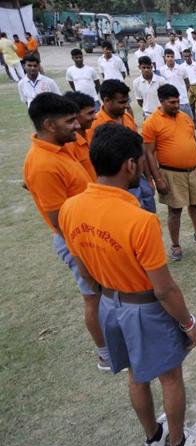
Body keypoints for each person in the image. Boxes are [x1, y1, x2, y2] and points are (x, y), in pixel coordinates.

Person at [58, 123, 196, 446]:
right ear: (129, 164)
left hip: (110, 305)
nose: (143, 166)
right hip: (145, 310)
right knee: (170, 375)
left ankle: (152, 439)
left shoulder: (70, 209)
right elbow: (164, 288)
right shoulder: (140, 221)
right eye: (141, 161)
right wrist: (188, 323)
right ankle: (177, 444)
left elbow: (83, 270)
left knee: (135, 373)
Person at [22, 93, 107, 371]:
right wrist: (83, 262)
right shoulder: (43, 164)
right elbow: (61, 223)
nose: (76, 125)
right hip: (79, 243)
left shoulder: (59, 148)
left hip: (92, 234)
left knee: (105, 295)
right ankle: (105, 354)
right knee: (92, 297)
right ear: (49, 124)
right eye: (70, 121)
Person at [143, 84, 196, 260]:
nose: (177, 105)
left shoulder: (185, 117)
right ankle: (175, 245)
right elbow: (148, 154)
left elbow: (195, 142)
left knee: (195, 203)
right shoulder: (151, 123)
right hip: (171, 173)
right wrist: (157, 178)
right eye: (172, 102)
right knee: (175, 210)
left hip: (193, 170)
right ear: (161, 101)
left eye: (178, 101)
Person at [88, 79, 156, 213]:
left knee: (149, 214)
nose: (126, 106)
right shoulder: (95, 125)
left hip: (139, 178)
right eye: (121, 102)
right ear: (107, 101)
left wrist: (149, 178)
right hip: (121, 184)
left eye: (127, 102)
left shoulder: (127, 117)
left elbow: (140, 148)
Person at [63, 91, 98, 181]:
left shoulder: (89, 135)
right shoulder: (68, 145)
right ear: (74, 115)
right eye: (90, 113)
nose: (95, 117)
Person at [159, 49, 192, 118]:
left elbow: (187, 83)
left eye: (172, 56)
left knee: (187, 119)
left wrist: (184, 94)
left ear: (174, 57)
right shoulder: (161, 70)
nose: (170, 58)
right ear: (164, 58)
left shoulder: (181, 68)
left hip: (182, 100)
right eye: (168, 56)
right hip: (169, 100)